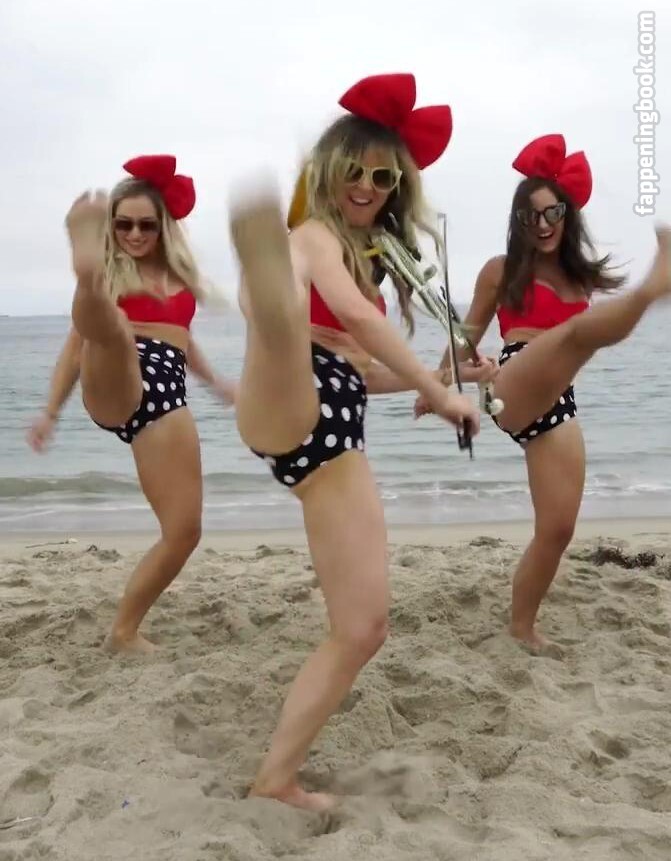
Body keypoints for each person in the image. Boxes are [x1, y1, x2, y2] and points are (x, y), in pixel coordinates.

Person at [227, 72, 492, 811]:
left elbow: (363, 366)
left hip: (322, 427)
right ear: (328, 170)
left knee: (364, 626)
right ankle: (273, 303)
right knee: (292, 329)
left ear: (397, 187)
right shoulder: (316, 234)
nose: (368, 187)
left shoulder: (362, 254)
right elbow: (360, 320)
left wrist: (439, 382)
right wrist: (437, 386)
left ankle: (277, 775)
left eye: (384, 177)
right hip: (295, 402)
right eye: (355, 171)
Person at [419, 132, 671, 651]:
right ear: (517, 222)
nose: (541, 224)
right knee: (577, 334)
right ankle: (656, 284)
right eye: (529, 216)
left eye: (552, 212)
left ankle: (521, 626)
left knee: (557, 529)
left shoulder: (582, 279)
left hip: (558, 400)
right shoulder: (501, 271)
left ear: (567, 214)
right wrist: (438, 383)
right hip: (513, 382)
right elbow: (466, 336)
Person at [27, 154, 236, 654]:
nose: (135, 235)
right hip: (113, 375)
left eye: (146, 225)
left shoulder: (180, 280)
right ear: (110, 228)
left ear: (164, 227)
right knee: (114, 332)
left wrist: (217, 384)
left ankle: (123, 633)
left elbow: (184, 342)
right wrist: (51, 412)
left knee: (184, 531)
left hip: (166, 396)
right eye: (123, 225)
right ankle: (85, 279)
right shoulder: (115, 274)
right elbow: (73, 349)